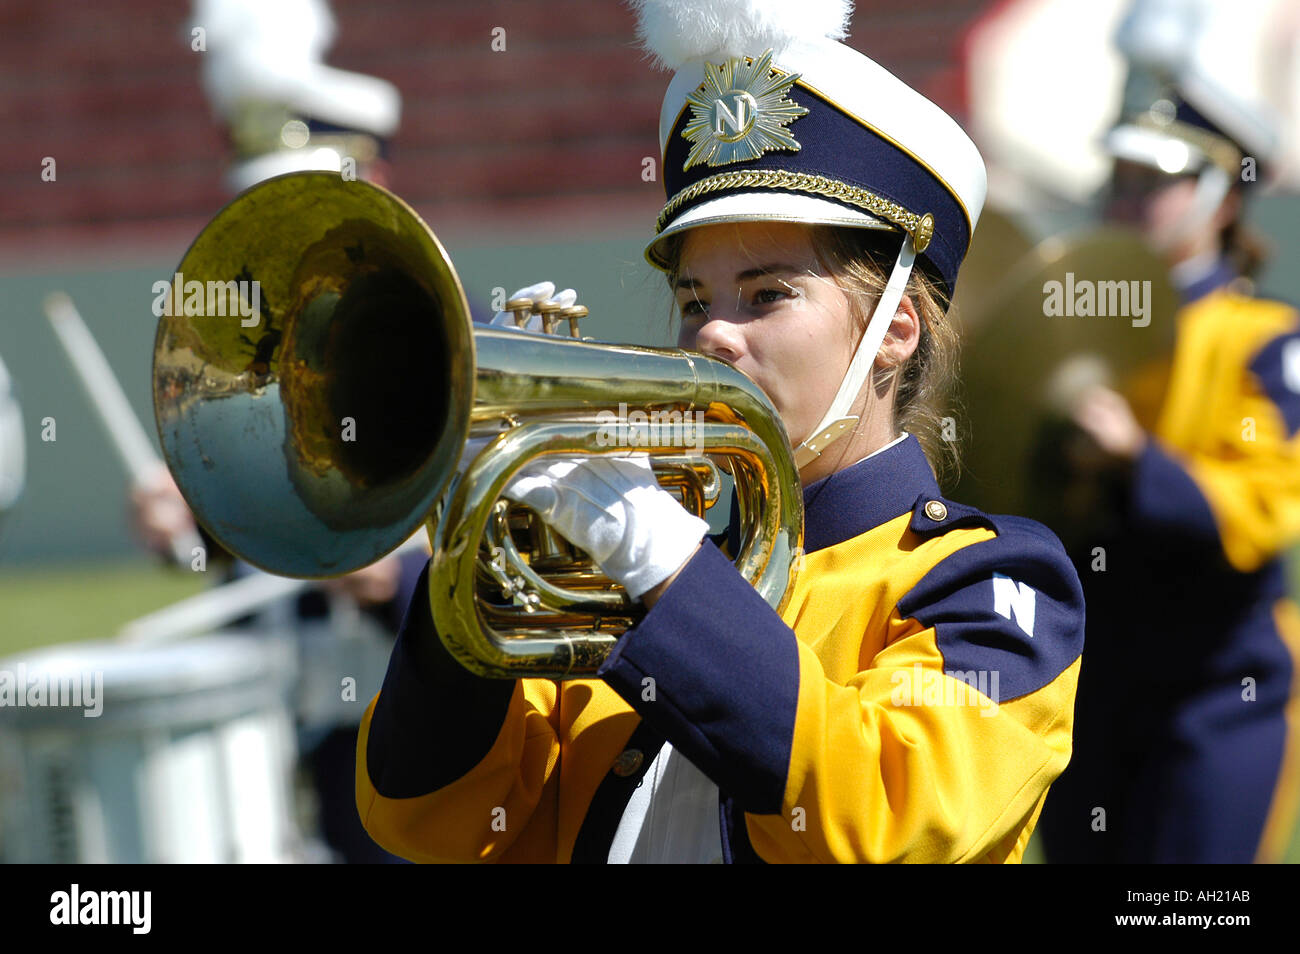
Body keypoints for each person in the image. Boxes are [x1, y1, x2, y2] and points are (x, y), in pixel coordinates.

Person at [356, 0, 1085, 863]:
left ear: (895, 328)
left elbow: (889, 819)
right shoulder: (594, 581)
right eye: (695, 299)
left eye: (767, 294)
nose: (712, 334)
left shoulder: (991, 583)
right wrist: (468, 584)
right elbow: (429, 820)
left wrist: (659, 561)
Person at [129, 0, 417, 863]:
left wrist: (391, 581)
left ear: (378, 191)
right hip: (268, 735)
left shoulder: (463, 345)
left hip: (404, 738)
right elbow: (248, 544)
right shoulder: (236, 354)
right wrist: (190, 529)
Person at [1037, 15, 1300, 862]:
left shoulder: (1265, 337)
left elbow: (1263, 510)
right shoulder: (1069, 318)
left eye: (1153, 180)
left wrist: (1136, 460)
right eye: (1118, 175)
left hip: (1217, 691)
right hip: (1087, 683)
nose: (1126, 197)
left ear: (1222, 198)